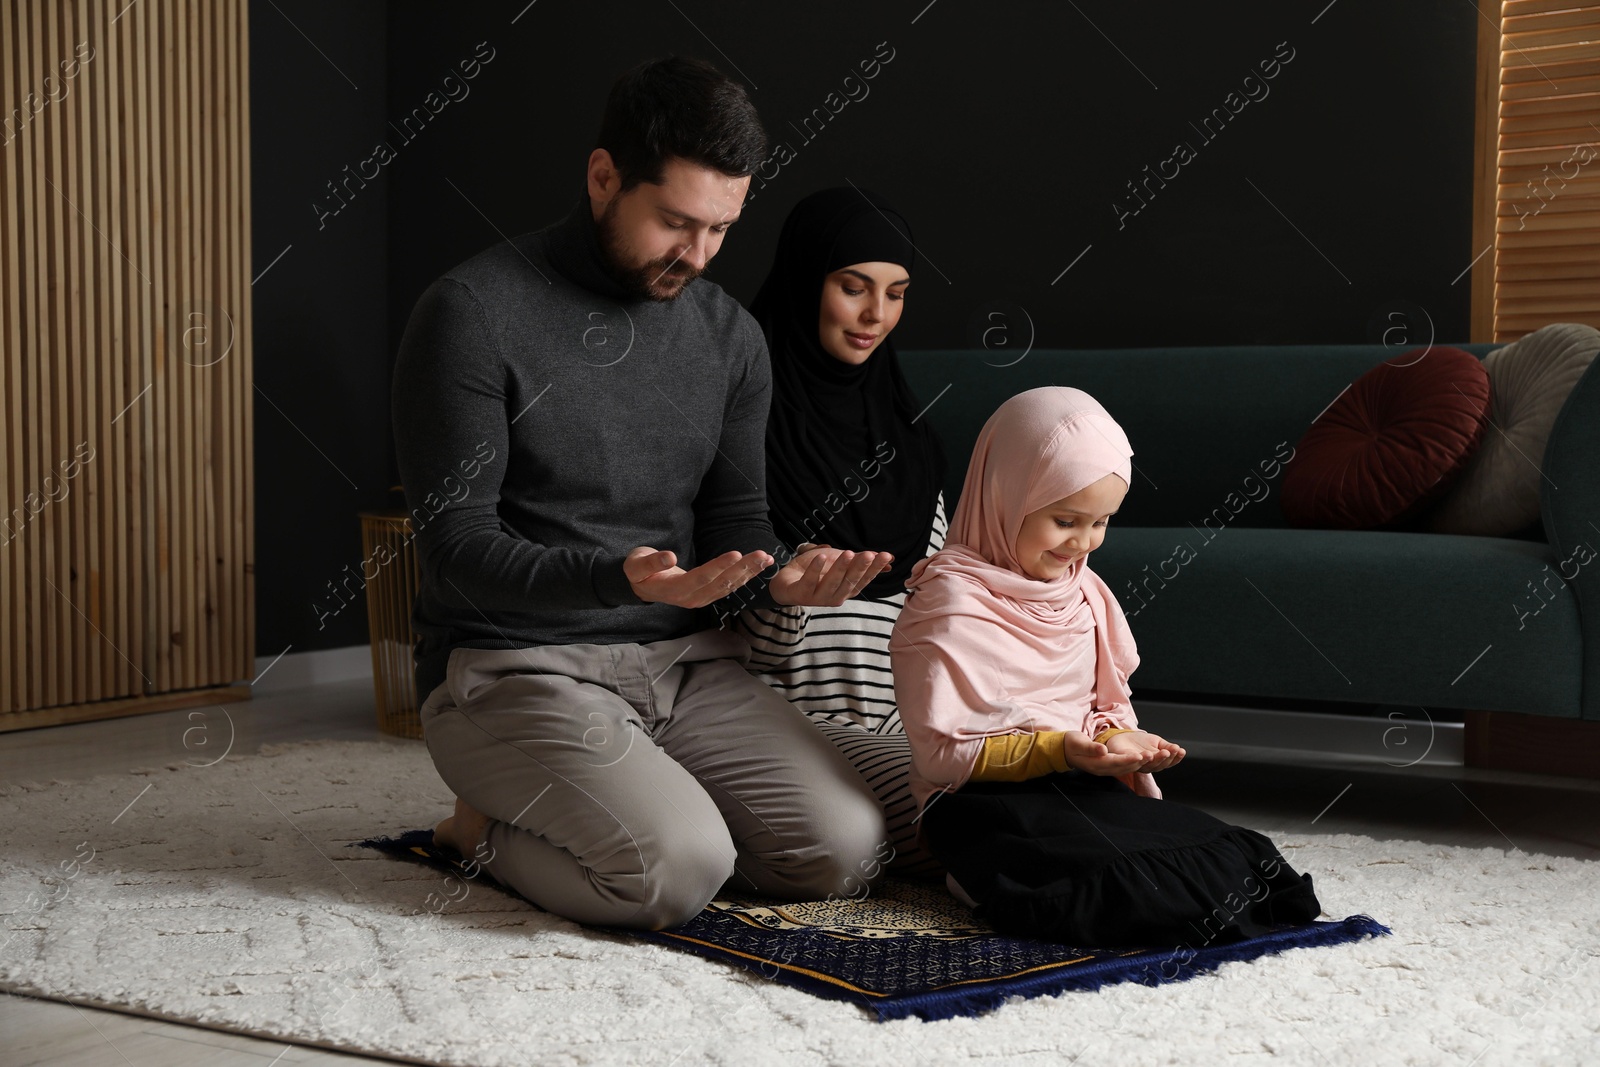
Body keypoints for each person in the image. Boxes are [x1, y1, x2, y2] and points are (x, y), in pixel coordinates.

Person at [390, 56, 897, 932]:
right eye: (675, 222)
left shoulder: (731, 337)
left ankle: (644, 801)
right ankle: (477, 831)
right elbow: (455, 552)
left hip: (686, 666)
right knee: (675, 871)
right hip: (516, 667)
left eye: (721, 230)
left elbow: (739, 524)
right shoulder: (471, 312)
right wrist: (617, 579)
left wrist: (779, 576)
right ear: (602, 178)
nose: (697, 255)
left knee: (847, 849)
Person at [889, 387, 1322, 946]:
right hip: (979, 800)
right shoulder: (948, 603)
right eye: (1065, 519)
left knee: (1236, 862)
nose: (1083, 542)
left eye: (1100, 522)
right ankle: (981, 877)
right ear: (1004, 495)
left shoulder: (1084, 592)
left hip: (1079, 782)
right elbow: (943, 756)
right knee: (1125, 889)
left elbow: (1099, 708)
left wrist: (1118, 740)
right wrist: (1062, 749)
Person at [730, 187, 948, 877]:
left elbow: (941, 617)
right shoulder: (740, 428)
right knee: (952, 818)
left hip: (902, 724)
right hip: (779, 718)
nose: (875, 315)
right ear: (806, 279)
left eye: (896, 292)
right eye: (854, 288)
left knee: (1039, 785)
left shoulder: (909, 441)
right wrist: (789, 594)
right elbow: (723, 639)